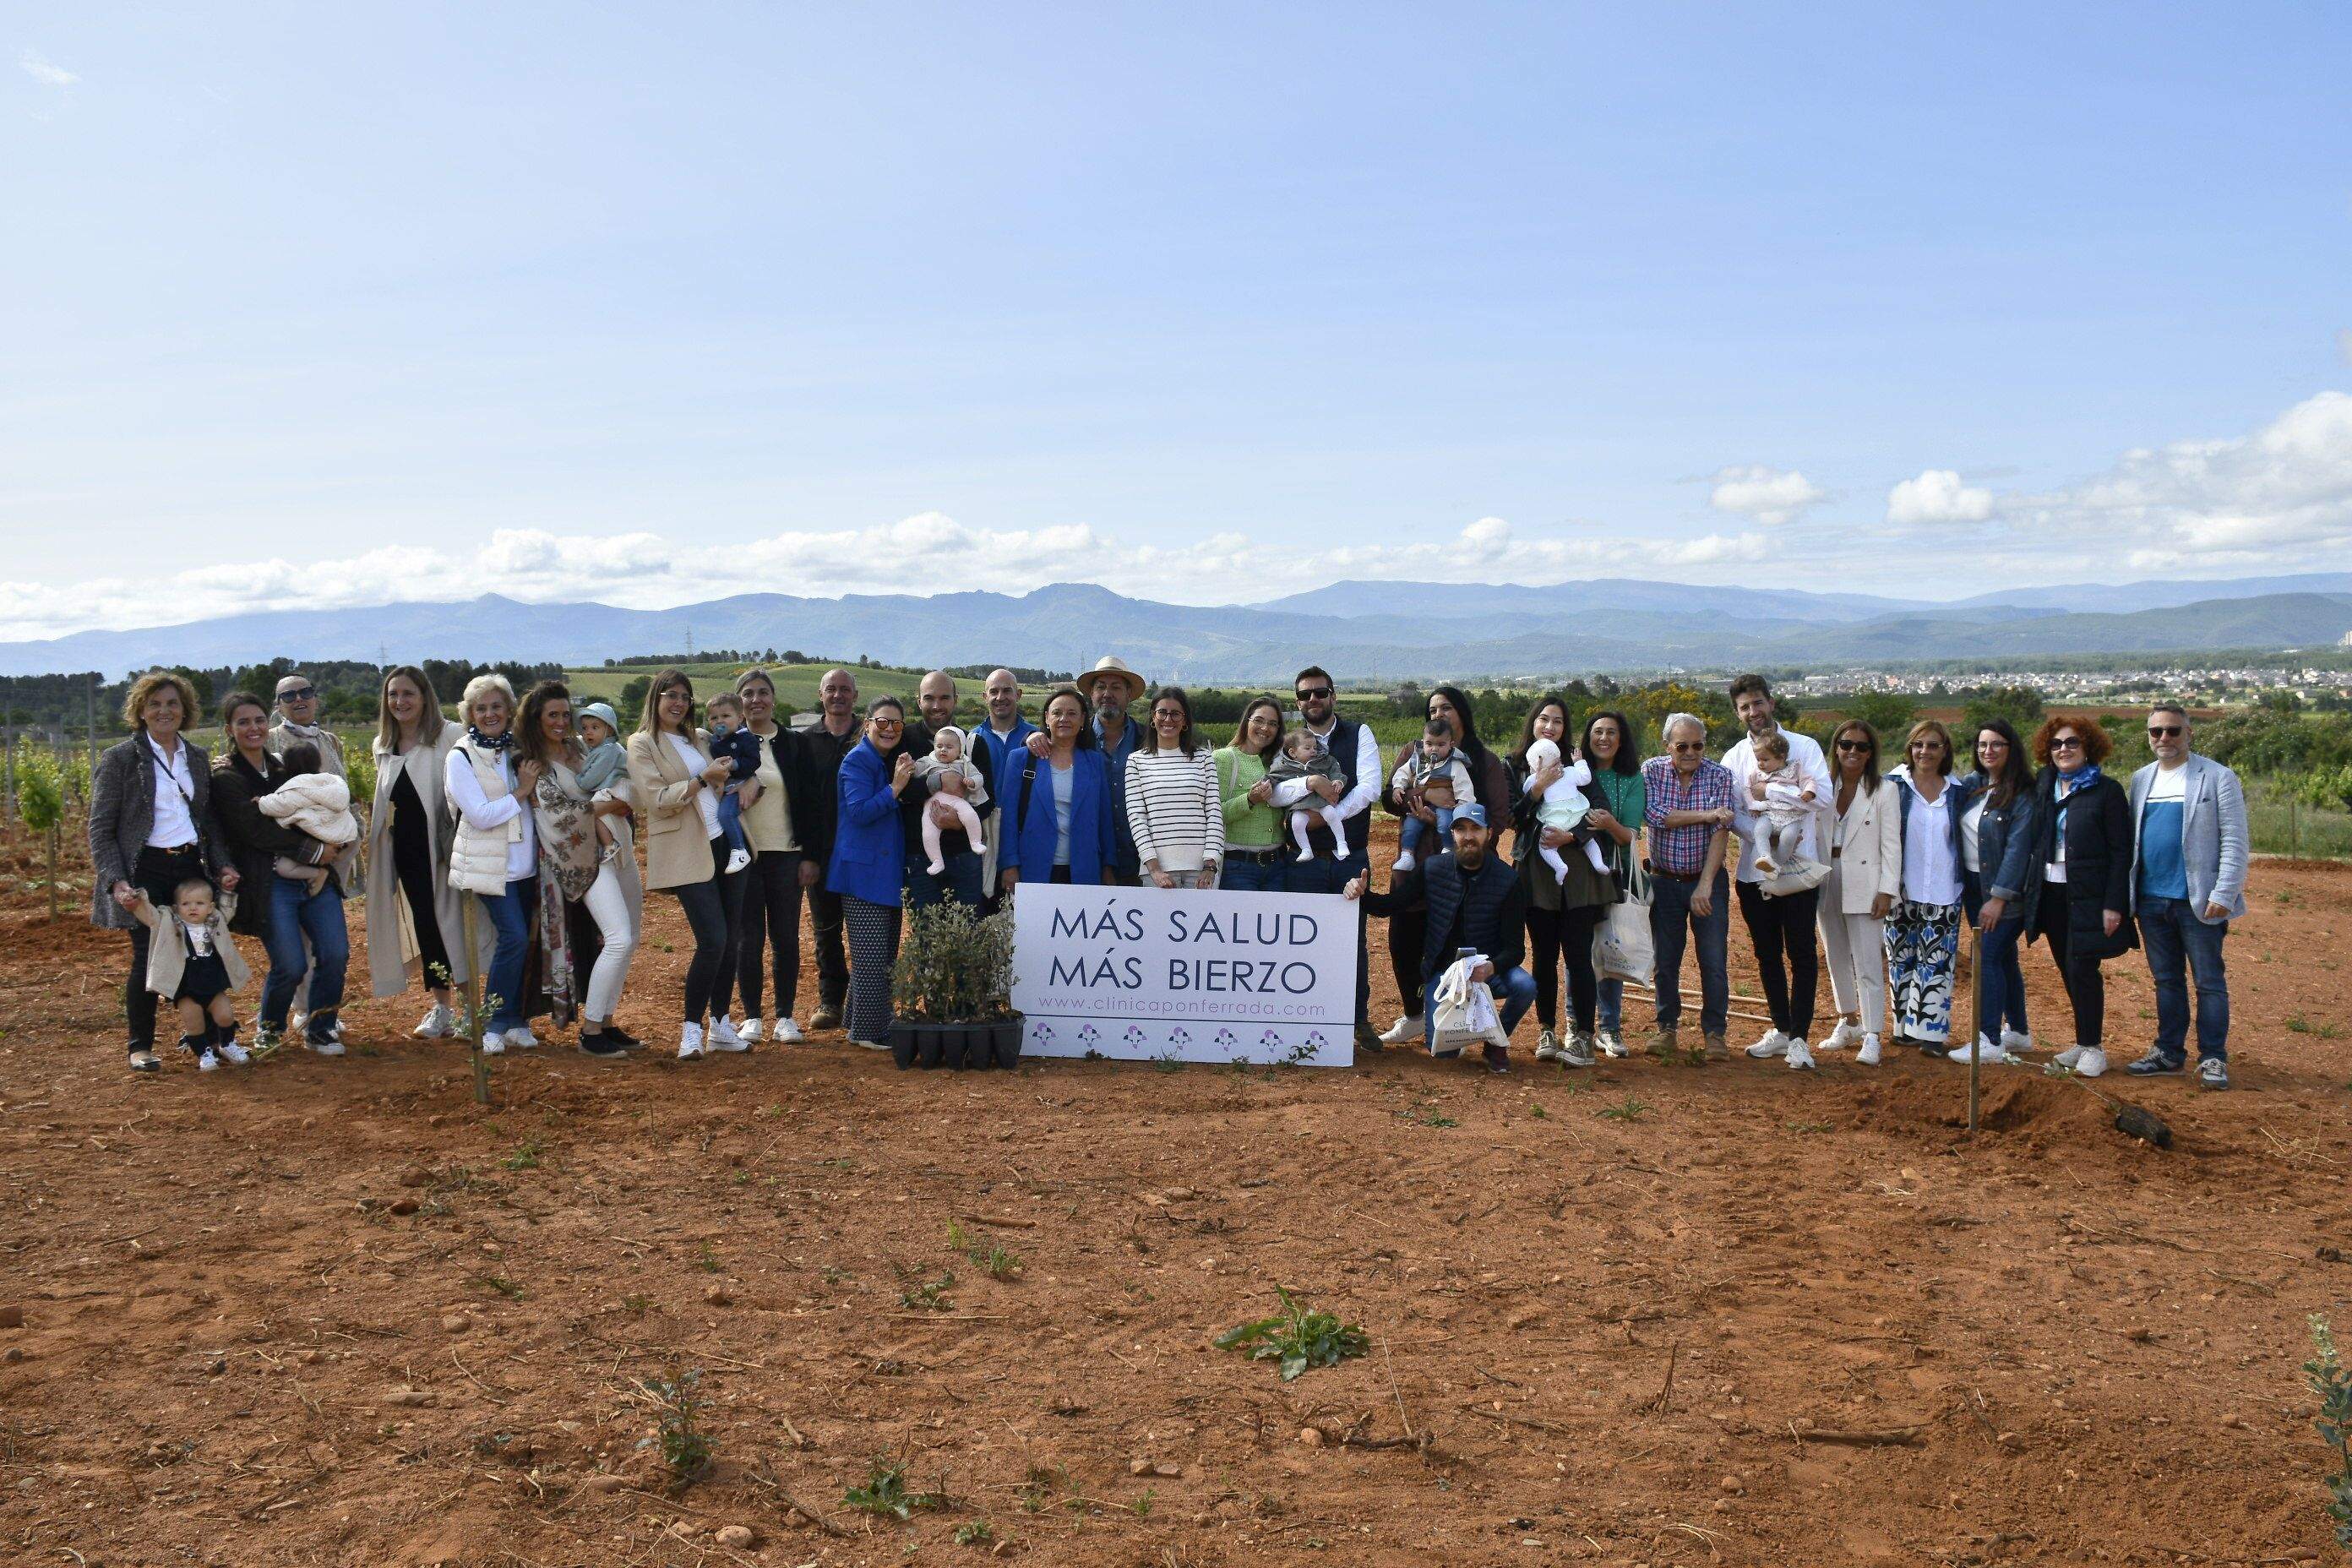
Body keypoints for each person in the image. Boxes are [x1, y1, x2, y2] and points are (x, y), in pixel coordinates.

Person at [90, 670, 235, 1073]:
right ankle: (140, 1047)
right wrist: (116, 880)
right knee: (147, 958)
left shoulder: (197, 757)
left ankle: (205, 1042)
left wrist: (222, 866)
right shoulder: (120, 758)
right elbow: (100, 828)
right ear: (140, 710)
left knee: (199, 953)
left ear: (184, 709)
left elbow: (209, 822)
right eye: (154, 704)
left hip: (191, 867)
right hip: (145, 868)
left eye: (172, 703)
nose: (163, 710)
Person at [208, 690, 349, 1054]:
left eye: (258, 720)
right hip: (269, 883)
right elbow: (254, 831)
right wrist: (318, 852)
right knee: (290, 964)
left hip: (316, 878)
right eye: (243, 722)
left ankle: (321, 1027)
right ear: (229, 728)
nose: (253, 728)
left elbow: (313, 808)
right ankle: (269, 1027)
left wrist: (329, 849)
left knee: (335, 953)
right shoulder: (226, 777)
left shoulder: (284, 768)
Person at [1345, 804, 1532, 1074]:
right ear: (1452, 834)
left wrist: (1490, 968)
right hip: (1444, 975)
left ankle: (1495, 1042)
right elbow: (1392, 905)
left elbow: (1516, 949)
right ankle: (1458, 1029)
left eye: (1475, 829)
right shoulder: (1433, 868)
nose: (1468, 836)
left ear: (1489, 834)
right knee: (1444, 1054)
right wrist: (1363, 894)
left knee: (1524, 985)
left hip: (1487, 973)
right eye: (1461, 829)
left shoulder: (1509, 880)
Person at [1375, 685, 1510, 1048]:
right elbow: (1390, 797)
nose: (1439, 714)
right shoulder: (1414, 752)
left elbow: (1499, 815)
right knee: (1402, 942)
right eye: (1433, 709)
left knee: (1455, 948)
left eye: (1446, 707)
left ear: (1461, 713)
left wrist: (1456, 830)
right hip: (1414, 861)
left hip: (1463, 871)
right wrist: (1412, 805)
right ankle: (1414, 1016)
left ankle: (1456, 1024)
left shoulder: (1483, 761)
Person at [628, 668, 750, 1059]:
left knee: (731, 941)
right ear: (656, 698)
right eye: (671, 695)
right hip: (686, 852)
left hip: (727, 845)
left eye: (684, 696)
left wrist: (747, 781)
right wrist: (702, 778)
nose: (679, 703)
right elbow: (656, 799)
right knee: (712, 939)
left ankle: (720, 1025)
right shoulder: (642, 743)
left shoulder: (700, 738)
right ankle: (690, 1030)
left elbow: (740, 766)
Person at [2124, 703, 2248, 1088]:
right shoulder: (2141, 779)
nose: (2164, 738)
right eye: (2156, 731)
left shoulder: (2217, 777)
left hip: (2200, 901)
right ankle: (2169, 1052)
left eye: (2173, 731)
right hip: (2150, 900)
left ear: (2189, 734)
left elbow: (2235, 839)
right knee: (2167, 981)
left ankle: (2212, 1058)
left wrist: (2225, 891)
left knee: (2209, 982)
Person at [517, 680, 639, 1059]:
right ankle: (589, 1032)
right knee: (617, 937)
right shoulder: (532, 764)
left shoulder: (581, 748)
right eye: (552, 715)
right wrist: (609, 804)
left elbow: (626, 782)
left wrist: (621, 798)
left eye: (565, 714)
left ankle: (605, 1020)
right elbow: (556, 817)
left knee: (629, 937)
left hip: (616, 849)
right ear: (536, 719)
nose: (560, 721)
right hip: (580, 860)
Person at [1721, 675, 1830, 1068]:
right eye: (1745, 707)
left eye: (1758, 703)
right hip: (1754, 870)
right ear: (1738, 713)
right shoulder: (1734, 758)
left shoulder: (1805, 747)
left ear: (1772, 703)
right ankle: (1781, 1030)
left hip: (1798, 868)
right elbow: (1733, 813)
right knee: (1766, 953)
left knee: (1801, 950)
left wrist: (1777, 805)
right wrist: (1765, 840)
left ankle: (1801, 1037)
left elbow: (1823, 797)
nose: (1754, 712)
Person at [1506, 697, 1618, 1068]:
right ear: (1533, 725)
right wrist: (1536, 788)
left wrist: (1572, 837)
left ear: (1565, 729)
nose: (1550, 726)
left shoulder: (1578, 767)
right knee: (1543, 954)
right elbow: (1512, 818)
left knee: (1578, 954)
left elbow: (1601, 811)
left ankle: (1584, 1036)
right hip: (1537, 872)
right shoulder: (1516, 766)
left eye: (1557, 721)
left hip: (1580, 874)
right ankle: (1547, 1030)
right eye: (1543, 719)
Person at [2025, 715, 2137, 1080]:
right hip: (2050, 891)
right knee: (2066, 967)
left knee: (2083, 968)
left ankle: (2093, 1047)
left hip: (2089, 895)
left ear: (2088, 747)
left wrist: (2114, 903)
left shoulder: (2107, 792)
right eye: (2056, 744)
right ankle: (2082, 1040)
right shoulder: (2046, 785)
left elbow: (2122, 852)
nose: (2063, 750)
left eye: (2072, 743)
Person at [362, 666, 469, 1035]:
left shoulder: (450, 735)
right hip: (406, 853)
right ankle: (442, 1009)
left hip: (445, 850)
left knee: (453, 925)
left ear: (425, 697)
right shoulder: (383, 745)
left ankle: (472, 1008)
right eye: (393, 694)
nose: (400, 701)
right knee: (427, 927)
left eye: (408, 693)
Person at [446, 673, 542, 1055]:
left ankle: (516, 1020)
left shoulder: (517, 749)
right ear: (469, 713)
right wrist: (521, 791)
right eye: (481, 708)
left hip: (526, 863)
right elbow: (481, 815)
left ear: (509, 709)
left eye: (497, 706)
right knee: (514, 937)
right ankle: (494, 1021)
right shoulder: (461, 755)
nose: (490, 714)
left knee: (525, 941)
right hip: (490, 866)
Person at [731, 669, 821, 1045]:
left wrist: (809, 855)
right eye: (748, 694)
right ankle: (752, 1016)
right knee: (747, 939)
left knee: (785, 936)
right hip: (745, 855)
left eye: (763, 693)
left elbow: (811, 802)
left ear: (773, 697)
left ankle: (785, 1016)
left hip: (787, 853)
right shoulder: (728, 743)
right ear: (740, 701)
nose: (756, 700)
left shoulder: (794, 744)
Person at [828, 696, 917, 1049]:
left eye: (897, 723)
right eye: (883, 722)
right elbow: (860, 811)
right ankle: (868, 1031)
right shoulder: (858, 761)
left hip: (882, 873)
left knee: (879, 953)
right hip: (863, 874)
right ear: (867, 724)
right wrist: (895, 788)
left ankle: (858, 1019)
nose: (891, 729)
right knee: (872, 957)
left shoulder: (879, 760)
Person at [1643, 713, 1734, 1062]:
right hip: (1663, 881)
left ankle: (1715, 1034)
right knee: (1665, 960)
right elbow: (1656, 817)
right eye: (1682, 746)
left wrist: (1706, 886)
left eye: (1698, 745)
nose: (1691, 752)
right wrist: (1709, 814)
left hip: (1706, 881)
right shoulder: (1651, 771)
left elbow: (1721, 834)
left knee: (1713, 960)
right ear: (1668, 746)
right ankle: (1666, 1028)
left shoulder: (1721, 775)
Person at [1885, 720, 1976, 1060]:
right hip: (1901, 889)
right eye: (1919, 744)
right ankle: (1903, 1030)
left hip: (1944, 889)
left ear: (1945, 751)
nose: (1925, 751)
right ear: (1910, 748)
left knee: (1937, 963)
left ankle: (1932, 1033)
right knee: (1901, 960)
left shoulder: (1958, 791)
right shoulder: (1893, 786)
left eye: (1933, 745)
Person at [1815, 721, 1902, 1066]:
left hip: (1865, 881)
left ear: (1871, 753)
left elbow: (1892, 846)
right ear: (1836, 747)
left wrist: (1887, 889)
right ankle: (1848, 1020)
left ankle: (1872, 1034)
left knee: (1867, 961)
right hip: (1826, 876)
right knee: (1835, 955)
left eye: (1861, 747)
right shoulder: (1823, 788)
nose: (1853, 751)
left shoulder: (1885, 791)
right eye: (1846, 744)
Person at [1953, 719, 2039, 1063]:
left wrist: (1999, 898)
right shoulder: (1972, 785)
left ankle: (1988, 1038)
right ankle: (2018, 1031)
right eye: (1982, 745)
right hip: (1973, 887)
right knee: (2004, 958)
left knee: (1987, 957)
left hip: (2004, 894)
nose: (1988, 751)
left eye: (1997, 744)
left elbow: (2019, 850)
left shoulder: (2023, 794)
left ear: (2011, 748)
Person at [996, 684, 1118, 890]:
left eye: (1072, 713)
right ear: (1046, 718)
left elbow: (1104, 818)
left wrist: (1108, 866)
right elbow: (1008, 817)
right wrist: (1009, 864)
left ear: (1083, 720)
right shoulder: (1021, 759)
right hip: (1033, 866)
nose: (1064, 719)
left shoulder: (1094, 762)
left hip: (1085, 868)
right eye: (1057, 713)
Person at [1576, 710, 1646, 1057]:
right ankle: (1576, 1026)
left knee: (1610, 949)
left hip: (1614, 877)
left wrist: (1609, 826)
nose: (1604, 738)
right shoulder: (1576, 772)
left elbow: (1631, 834)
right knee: (1578, 951)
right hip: (1576, 875)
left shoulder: (1631, 778)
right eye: (1597, 732)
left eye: (1611, 732)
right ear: (1587, 738)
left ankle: (1609, 1027)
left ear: (1622, 740)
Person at [797, 668, 863, 1031]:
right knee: (826, 930)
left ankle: (863, 1001)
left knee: (864, 929)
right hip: (821, 853)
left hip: (861, 852)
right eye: (831, 690)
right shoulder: (805, 742)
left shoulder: (869, 736)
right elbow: (801, 803)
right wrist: (807, 855)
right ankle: (831, 1000)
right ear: (821, 695)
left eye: (845, 690)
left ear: (856, 694)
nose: (838, 695)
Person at [127, 879, 250, 1071]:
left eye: (199, 904)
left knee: (226, 1016)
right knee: (195, 1023)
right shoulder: (169, 922)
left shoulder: (215, 920)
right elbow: (149, 916)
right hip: (185, 986)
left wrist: (227, 891)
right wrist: (139, 901)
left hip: (212, 982)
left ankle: (227, 1044)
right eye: (186, 904)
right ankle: (204, 1054)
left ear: (210, 907)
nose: (193, 908)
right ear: (176, 907)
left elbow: (229, 909)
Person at [901, 671, 989, 908]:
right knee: (926, 939)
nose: (937, 705)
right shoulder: (904, 739)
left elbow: (989, 800)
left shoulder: (973, 744)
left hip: (965, 858)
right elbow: (899, 790)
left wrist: (959, 822)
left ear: (955, 700)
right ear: (919, 701)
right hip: (919, 859)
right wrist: (936, 783)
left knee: (969, 934)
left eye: (944, 698)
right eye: (929, 698)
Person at [1124, 687, 1223, 889]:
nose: (1168, 719)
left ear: (1185, 721)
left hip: (1202, 871)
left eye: (1176, 714)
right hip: (1157, 872)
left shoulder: (1204, 758)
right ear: (1153, 718)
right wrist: (1154, 868)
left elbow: (1214, 812)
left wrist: (1210, 865)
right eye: (1162, 712)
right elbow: (1137, 818)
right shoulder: (1136, 761)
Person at [1070, 656, 1148, 885]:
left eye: (1116, 687)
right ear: (1092, 694)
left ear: (1128, 695)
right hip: (1087, 856)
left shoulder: (1148, 740)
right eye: (1101, 687)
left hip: (1140, 857)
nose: (1108, 693)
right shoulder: (1075, 739)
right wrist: (1031, 736)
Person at [970, 669, 1037, 912]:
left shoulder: (1035, 736)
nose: (1001, 697)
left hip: (1024, 831)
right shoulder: (971, 740)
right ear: (984, 696)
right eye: (994, 691)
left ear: (1018, 694)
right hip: (983, 832)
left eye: (1007, 690)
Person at [258, 741, 359, 895]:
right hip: (339, 836)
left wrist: (262, 801)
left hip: (312, 840)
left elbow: (278, 806)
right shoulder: (332, 782)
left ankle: (318, 875)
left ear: (288, 767)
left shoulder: (297, 787)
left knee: (283, 868)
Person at [1212, 696, 1289, 892]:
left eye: (1273, 724)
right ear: (1247, 721)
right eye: (1259, 720)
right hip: (1238, 868)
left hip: (1278, 866)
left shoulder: (1278, 763)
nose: (1265, 728)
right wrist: (1249, 799)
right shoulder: (1223, 758)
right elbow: (1214, 814)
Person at [1391, 719, 1480, 874]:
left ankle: (1449, 850)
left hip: (1446, 806)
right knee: (1411, 824)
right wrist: (1398, 787)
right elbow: (1402, 773)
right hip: (1421, 804)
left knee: (1446, 823)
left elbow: (1465, 788)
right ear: (1423, 742)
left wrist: (1460, 807)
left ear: (1451, 744)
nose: (1434, 749)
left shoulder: (1455, 764)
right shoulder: (1417, 760)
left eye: (1441, 745)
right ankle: (1407, 854)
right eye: (1429, 744)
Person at [1521, 737, 1611, 880]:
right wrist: (1579, 762)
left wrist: (1537, 782)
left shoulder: (1535, 779)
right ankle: (1598, 863)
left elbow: (1526, 792)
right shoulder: (1570, 771)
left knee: (1545, 845)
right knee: (1589, 840)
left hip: (1555, 819)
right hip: (1577, 814)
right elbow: (1586, 778)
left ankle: (1560, 867)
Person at [700, 691, 764, 876]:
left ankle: (739, 851)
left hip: (738, 785)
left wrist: (735, 765)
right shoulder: (714, 741)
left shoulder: (746, 738)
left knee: (726, 815)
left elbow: (754, 762)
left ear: (740, 717)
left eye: (726, 716)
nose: (719, 721)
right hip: (723, 787)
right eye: (714, 718)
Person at [1745, 733, 1824, 882]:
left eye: (1765, 759)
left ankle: (1777, 865)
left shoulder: (1796, 768)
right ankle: (1765, 856)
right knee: (1760, 830)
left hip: (1792, 815)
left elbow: (1809, 781)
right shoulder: (1758, 773)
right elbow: (1747, 788)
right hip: (1769, 813)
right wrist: (1753, 805)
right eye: (1758, 760)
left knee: (1788, 838)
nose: (1760, 763)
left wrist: (1809, 792)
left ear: (1781, 757)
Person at [914, 726, 990, 875]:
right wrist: (909, 763)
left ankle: (975, 841)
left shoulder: (965, 764)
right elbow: (915, 770)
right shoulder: (927, 761)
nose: (943, 750)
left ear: (960, 749)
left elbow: (979, 777)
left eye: (949, 747)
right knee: (929, 832)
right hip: (932, 805)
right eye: (939, 746)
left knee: (969, 815)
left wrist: (972, 782)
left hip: (956, 801)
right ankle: (937, 861)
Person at [1267, 728, 1348, 862]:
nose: (1313, 751)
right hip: (1300, 805)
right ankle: (1306, 849)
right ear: (1293, 753)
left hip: (1321, 801)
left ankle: (1341, 843)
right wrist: (1266, 783)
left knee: (1331, 815)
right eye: (1307, 748)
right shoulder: (1283, 766)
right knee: (1296, 823)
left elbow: (1335, 770)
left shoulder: (1323, 761)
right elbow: (1273, 777)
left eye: (1315, 748)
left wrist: (1339, 781)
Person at [270, 672, 346, 776]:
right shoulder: (268, 740)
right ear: (278, 707)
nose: (298, 698)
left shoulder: (332, 741)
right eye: (289, 695)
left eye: (306, 692)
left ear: (316, 701)